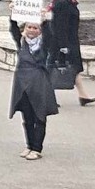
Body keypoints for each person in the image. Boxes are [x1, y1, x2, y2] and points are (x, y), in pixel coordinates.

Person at [8, 14, 59, 160]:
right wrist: (13, 15)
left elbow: (50, 35)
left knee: (39, 116)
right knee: (27, 117)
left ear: (40, 30)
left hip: (39, 84)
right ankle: (29, 145)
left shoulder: (44, 44)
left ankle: (37, 148)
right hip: (22, 84)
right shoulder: (22, 42)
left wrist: (45, 21)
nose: (31, 30)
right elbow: (13, 30)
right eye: (29, 27)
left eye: (35, 28)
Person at [49, 0, 95, 106]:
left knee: (74, 67)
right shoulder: (62, 3)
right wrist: (63, 46)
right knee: (56, 68)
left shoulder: (69, 1)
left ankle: (83, 95)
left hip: (71, 40)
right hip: (63, 42)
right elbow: (60, 26)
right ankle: (48, 96)